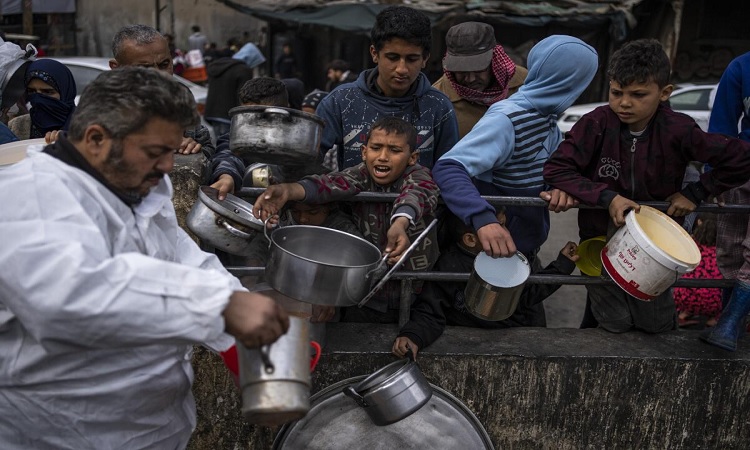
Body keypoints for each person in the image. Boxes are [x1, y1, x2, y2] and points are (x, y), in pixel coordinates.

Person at [0, 67, 289, 449]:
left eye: (171, 151)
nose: (168, 166)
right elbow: (68, 298)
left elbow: (181, 258)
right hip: (63, 434)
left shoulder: (140, 185)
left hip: (155, 430)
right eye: (156, 152)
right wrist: (218, 305)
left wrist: (238, 333)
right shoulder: (30, 195)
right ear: (97, 138)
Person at [542, 39, 750, 334]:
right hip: (600, 243)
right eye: (617, 93)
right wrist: (606, 197)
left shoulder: (679, 129)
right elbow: (556, 167)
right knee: (614, 323)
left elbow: (740, 158)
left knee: (656, 325)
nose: (624, 103)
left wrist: (697, 192)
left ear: (664, 93)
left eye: (638, 94)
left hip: (657, 248)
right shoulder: (595, 123)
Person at [253, 116, 440, 322]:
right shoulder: (360, 174)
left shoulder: (419, 176)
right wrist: (288, 190)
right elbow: (329, 183)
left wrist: (400, 223)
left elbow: (416, 193)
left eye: (394, 150)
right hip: (365, 292)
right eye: (376, 148)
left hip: (414, 290)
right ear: (364, 152)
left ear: (412, 157)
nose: (383, 157)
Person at [432, 35, 597, 268]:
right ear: (570, 83)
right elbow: (448, 167)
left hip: (521, 249)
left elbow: (550, 168)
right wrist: (484, 220)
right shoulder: (507, 118)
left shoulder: (546, 118)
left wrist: (558, 187)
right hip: (488, 253)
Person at [393, 210, 578, 359]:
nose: (507, 234)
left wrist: (561, 266)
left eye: (505, 225)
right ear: (470, 239)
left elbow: (529, 294)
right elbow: (431, 309)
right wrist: (413, 336)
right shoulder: (449, 266)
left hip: (513, 334)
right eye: (500, 227)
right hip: (466, 339)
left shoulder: (510, 258)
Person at [315, 5, 459, 171]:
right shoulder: (340, 101)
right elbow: (309, 158)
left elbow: (449, 169)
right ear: (375, 54)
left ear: (425, 58)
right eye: (392, 58)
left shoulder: (439, 106)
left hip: (419, 197)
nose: (401, 69)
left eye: (412, 59)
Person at [701, 50, 750, 351]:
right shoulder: (741, 67)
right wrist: (714, 176)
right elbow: (722, 126)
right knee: (729, 250)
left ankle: (729, 326)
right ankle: (730, 322)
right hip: (740, 170)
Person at [109, 24, 214, 157]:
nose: (159, 76)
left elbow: (208, 147)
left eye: (164, 65)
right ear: (117, 68)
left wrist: (194, 148)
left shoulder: (181, 95)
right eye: (144, 69)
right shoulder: (104, 107)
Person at [433, 21, 528, 139]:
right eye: (461, 72)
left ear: (494, 62)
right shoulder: (437, 101)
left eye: (479, 70)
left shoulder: (524, 82)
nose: (470, 79)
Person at [208, 76, 290, 200]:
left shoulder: (296, 142)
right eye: (247, 115)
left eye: (262, 116)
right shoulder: (237, 136)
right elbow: (228, 154)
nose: (253, 122)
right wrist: (227, 176)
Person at [672, 213, 723, 328]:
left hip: (683, 298)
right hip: (713, 303)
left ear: (699, 222)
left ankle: (684, 315)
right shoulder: (722, 251)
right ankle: (712, 320)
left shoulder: (690, 244)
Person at [204, 41, 265, 136]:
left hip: (212, 113)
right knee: (228, 146)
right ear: (251, 58)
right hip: (229, 115)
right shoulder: (243, 70)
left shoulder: (220, 65)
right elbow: (243, 96)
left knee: (219, 145)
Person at [8, 59, 76, 142]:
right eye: (32, 91)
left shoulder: (86, 127)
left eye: (47, 92)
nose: (38, 98)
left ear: (65, 93)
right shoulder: (17, 126)